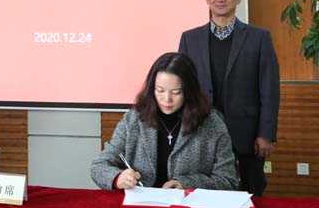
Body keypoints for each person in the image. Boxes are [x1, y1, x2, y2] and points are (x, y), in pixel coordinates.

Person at [179, 0, 280, 196]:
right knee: (204, 193)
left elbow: (270, 89)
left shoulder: (259, 38)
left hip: (247, 133)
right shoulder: (190, 38)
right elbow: (182, 87)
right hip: (201, 131)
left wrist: (266, 133)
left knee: (251, 191)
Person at [91, 52, 238, 191]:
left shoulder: (212, 124)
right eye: (160, 90)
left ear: (189, 91)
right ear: (152, 89)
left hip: (186, 204)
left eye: (176, 92)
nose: (167, 99)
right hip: (142, 203)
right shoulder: (134, 119)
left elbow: (228, 181)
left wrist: (186, 184)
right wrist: (117, 178)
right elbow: (99, 166)